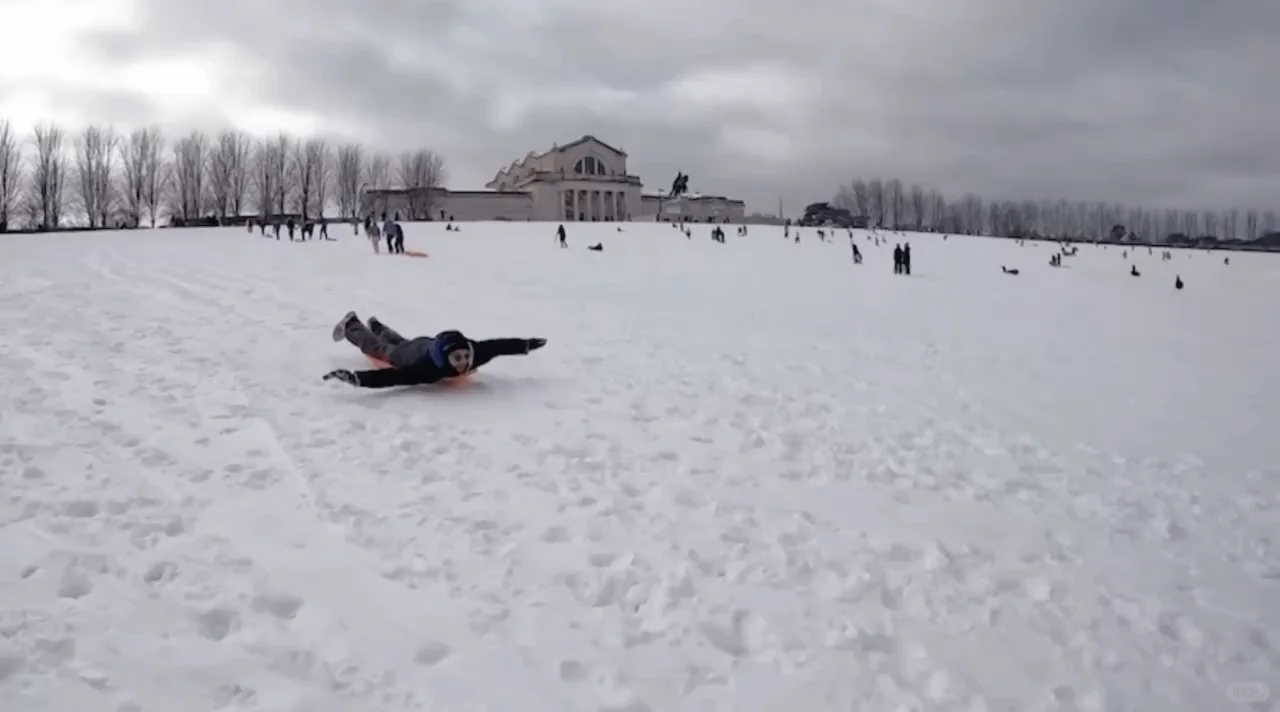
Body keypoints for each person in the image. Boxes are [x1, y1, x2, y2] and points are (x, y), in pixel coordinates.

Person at [323, 311, 546, 388]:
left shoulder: (474, 352)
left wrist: (527, 344)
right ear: (444, 358)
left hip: (425, 343)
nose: (463, 362)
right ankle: (352, 325)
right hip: (410, 355)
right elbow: (394, 377)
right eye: (457, 358)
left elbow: (498, 346)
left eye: (465, 357)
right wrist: (356, 378)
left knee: (402, 342)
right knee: (381, 349)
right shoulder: (426, 369)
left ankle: (378, 326)